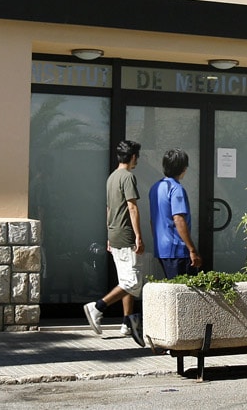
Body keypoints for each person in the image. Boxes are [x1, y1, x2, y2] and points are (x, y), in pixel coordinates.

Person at [84, 140, 145, 347]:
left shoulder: (112, 178)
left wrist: (108, 235)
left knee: (124, 279)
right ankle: (98, 307)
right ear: (133, 157)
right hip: (126, 235)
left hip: (114, 233)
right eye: (138, 155)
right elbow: (132, 207)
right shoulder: (128, 177)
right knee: (132, 282)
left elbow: (109, 209)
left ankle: (126, 323)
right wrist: (138, 236)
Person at [149, 148, 203, 278]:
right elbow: (179, 219)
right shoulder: (176, 189)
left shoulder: (155, 187)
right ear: (183, 168)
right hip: (177, 249)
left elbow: (153, 220)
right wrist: (192, 250)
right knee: (184, 292)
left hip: (161, 248)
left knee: (171, 288)